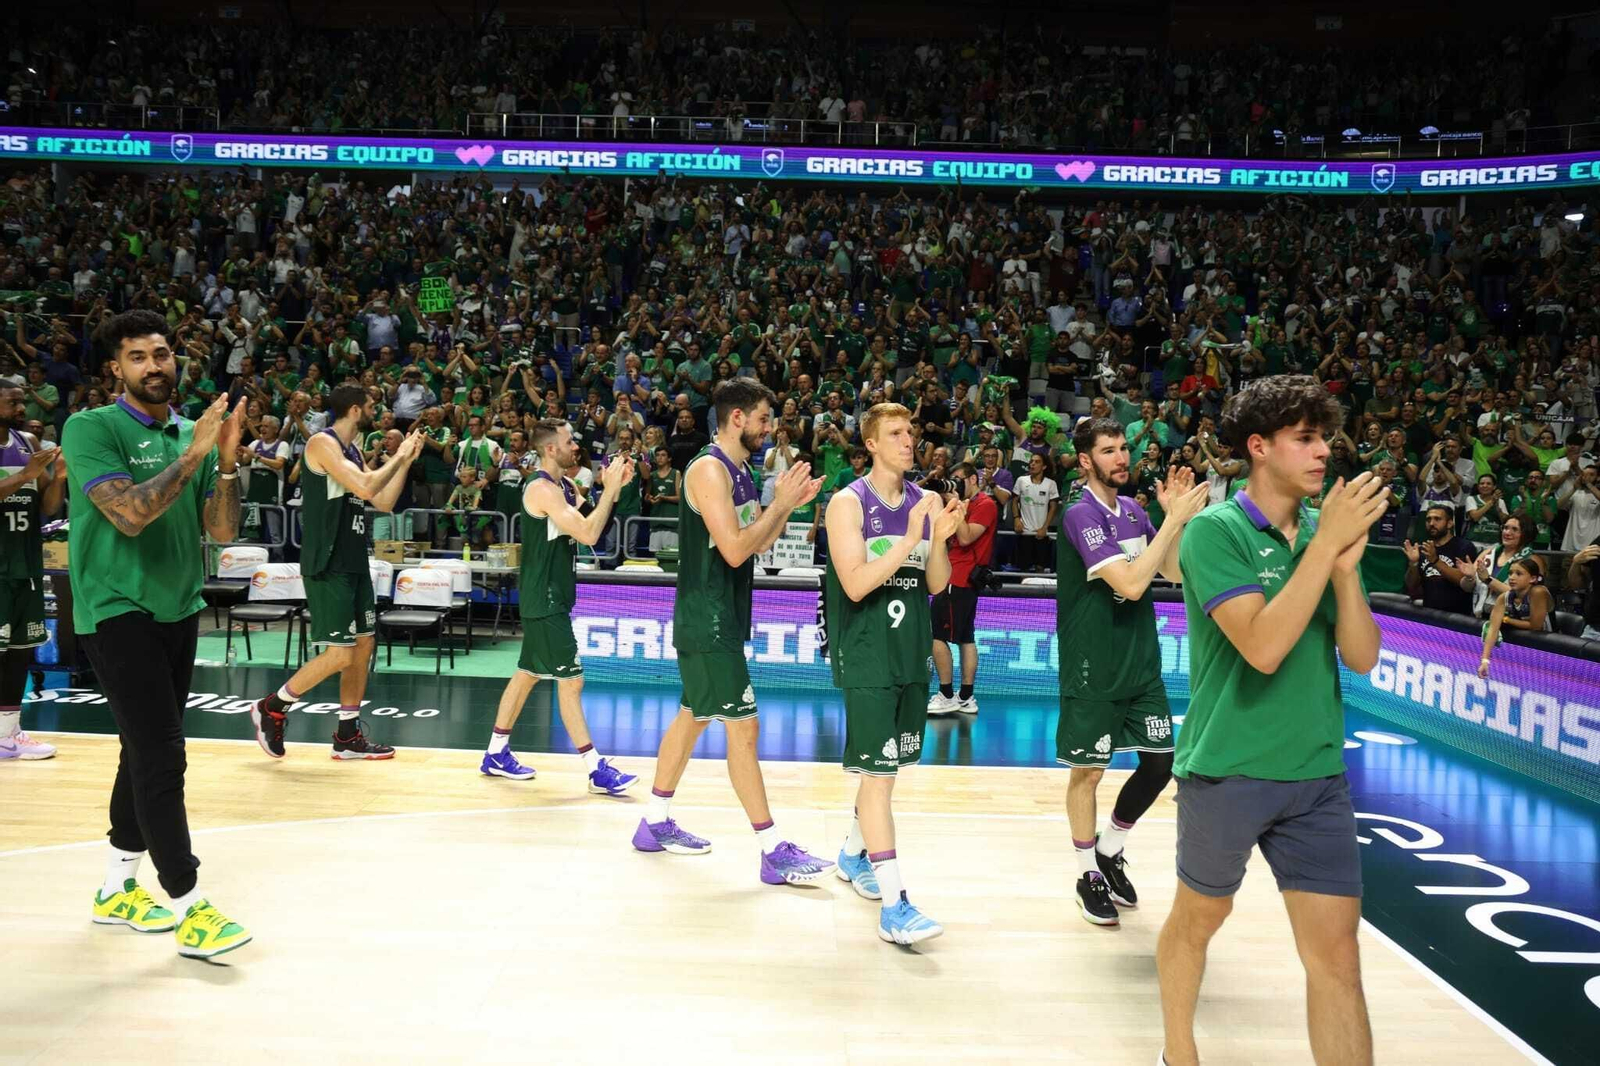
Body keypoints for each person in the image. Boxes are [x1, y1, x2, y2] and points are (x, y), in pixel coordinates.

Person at [1157, 376, 1387, 1066]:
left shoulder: (1327, 533)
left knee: (1338, 959)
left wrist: (1345, 571)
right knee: (1200, 919)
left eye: (1326, 438)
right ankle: (1178, 1051)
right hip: (1227, 768)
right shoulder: (1213, 533)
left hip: (1316, 774)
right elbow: (1260, 648)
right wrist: (1325, 554)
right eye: (1306, 439)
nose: (1324, 453)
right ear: (1259, 447)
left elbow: (1363, 656)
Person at [66, 309, 251, 958]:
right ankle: (188, 902)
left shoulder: (186, 432)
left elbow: (222, 531)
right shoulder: (90, 427)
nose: (155, 365)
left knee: (140, 749)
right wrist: (198, 448)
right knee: (163, 753)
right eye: (138, 357)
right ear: (116, 368)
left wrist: (224, 466)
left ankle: (117, 888)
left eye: (163, 354)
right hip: (115, 609)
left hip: (178, 607)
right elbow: (129, 516)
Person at [632, 379, 835, 887]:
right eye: (765, 418)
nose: (771, 429)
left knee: (693, 717)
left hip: (723, 614)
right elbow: (736, 550)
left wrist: (786, 506)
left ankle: (652, 823)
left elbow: (755, 544)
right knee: (743, 728)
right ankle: (771, 849)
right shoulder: (707, 469)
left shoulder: (741, 471)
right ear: (738, 418)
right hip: (708, 617)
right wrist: (781, 504)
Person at [1056, 416, 1210, 926]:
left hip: (1141, 662)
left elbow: (1173, 572)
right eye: (1108, 450)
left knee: (1161, 763)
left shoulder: (1133, 511)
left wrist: (1176, 521)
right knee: (1090, 772)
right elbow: (1130, 584)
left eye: (1124, 447)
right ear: (1086, 461)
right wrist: (1169, 520)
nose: (1121, 457)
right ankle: (1086, 874)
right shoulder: (1081, 515)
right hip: (1093, 665)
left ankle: (1110, 847)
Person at [824, 401, 964, 945]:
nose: (910, 440)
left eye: (912, 432)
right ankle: (895, 904)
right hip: (866, 655)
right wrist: (909, 538)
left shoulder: (923, 501)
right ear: (873, 444)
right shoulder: (847, 503)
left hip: (910, 656)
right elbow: (856, 583)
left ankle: (852, 853)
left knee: (886, 771)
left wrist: (940, 536)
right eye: (897, 434)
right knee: (879, 778)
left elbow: (935, 584)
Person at [249, 385, 422, 760]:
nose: (378, 410)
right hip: (327, 561)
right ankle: (272, 706)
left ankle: (347, 735)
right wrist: (398, 456)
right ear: (356, 410)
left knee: (363, 647)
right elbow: (363, 483)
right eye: (373, 405)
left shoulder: (354, 451)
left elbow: (384, 500)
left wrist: (406, 460)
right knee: (341, 653)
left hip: (354, 559)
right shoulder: (320, 444)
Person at [478, 418, 638, 791]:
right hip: (544, 598)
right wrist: (610, 488)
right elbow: (588, 533)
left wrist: (615, 489)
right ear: (551, 448)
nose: (575, 446)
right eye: (569, 441)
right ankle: (595, 768)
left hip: (553, 595)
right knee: (572, 682)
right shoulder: (541, 489)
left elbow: (596, 518)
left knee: (527, 673)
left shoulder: (564, 485)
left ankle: (495, 752)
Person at [0, 381, 67, 760]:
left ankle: (8, 734)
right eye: (12, 401)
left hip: (25, 565)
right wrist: (25, 475)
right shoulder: (24, 458)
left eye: (22, 401)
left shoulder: (27, 442)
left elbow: (50, 506)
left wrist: (56, 477)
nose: (21, 407)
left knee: (20, 652)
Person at [929, 462, 996, 716]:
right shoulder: (963, 504)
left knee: (936, 636)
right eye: (952, 480)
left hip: (958, 578)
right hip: (954, 574)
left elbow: (966, 537)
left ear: (973, 479)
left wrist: (957, 506)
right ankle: (966, 697)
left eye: (958, 479)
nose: (954, 485)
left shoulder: (985, 505)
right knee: (966, 638)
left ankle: (947, 695)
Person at [1478, 555, 1553, 678]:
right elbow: (1493, 629)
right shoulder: (1504, 597)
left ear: (1533, 578)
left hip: (1549, 650)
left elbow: (1535, 626)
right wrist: (1485, 661)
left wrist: (1506, 620)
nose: (1512, 577)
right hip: (1527, 649)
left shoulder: (1538, 592)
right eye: (1510, 573)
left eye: (1518, 574)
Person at [1401, 504, 1476, 615]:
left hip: (1458, 618)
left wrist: (1435, 561)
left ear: (1450, 523)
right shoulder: (1423, 549)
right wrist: (1414, 563)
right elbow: (1411, 586)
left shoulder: (1464, 547)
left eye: (1437, 519)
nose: (1431, 523)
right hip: (1429, 614)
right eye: (1428, 519)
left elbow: (1464, 581)